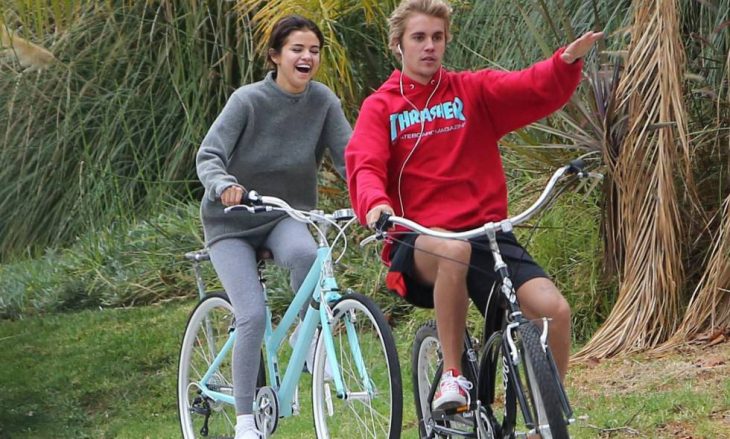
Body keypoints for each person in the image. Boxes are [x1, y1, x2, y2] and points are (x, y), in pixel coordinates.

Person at [345, 0, 603, 412]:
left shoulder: (472, 91)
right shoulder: (382, 107)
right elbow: (365, 165)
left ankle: (544, 420)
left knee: (554, 310)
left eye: (437, 37)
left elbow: (528, 87)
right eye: (419, 38)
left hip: (487, 235)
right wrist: (375, 206)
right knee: (453, 249)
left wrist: (564, 62)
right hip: (421, 240)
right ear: (398, 45)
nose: (429, 46)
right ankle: (453, 375)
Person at [196, 15, 351, 439]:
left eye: (314, 51)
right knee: (251, 313)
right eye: (297, 49)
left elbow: (350, 159)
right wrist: (224, 185)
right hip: (230, 223)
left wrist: (372, 197)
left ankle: (304, 334)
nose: (307, 57)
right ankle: (246, 420)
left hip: (284, 215)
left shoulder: (323, 103)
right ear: (275, 56)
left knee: (306, 256)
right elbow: (209, 155)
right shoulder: (247, 101)